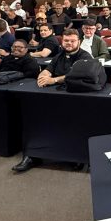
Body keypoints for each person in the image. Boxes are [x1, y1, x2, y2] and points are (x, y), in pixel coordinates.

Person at [12, 30, 94, 173]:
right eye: (66, 40)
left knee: (70, 123)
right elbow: (48, 69)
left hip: (74, 97)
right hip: (53, 95)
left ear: (79, 42)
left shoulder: (85, 56)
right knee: (34, 118)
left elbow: (75, 75)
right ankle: (32, 155)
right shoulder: (59, 55)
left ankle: (75, 156)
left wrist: (53, 80)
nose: (69, 43)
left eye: (72, 41)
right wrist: (43, 75)